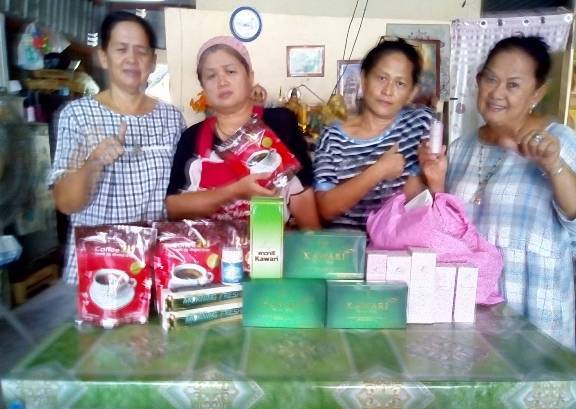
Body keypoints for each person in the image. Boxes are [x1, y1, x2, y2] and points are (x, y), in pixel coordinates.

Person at [420, 36, 576, 349]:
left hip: (537, 312)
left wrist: (553, 165)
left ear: (537, 92)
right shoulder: (461, 148)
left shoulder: (559, 142)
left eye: (513, 84)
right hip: (473, 315)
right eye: (490, 79)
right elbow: (450, 232)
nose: (497, 93)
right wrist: (435, 183)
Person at [50, 11, 185, 284]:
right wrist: (93, 163)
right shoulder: (77, 115)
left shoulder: (172, 118)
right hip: (98, 266)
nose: (132, 59)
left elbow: (180, 193)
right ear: (103, 56)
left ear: (153, 61)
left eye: (141, 51)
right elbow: (65, 203)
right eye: (121, 49)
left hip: (154, 264)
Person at [166, 36, 320, 228]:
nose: (222, 81)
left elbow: (301, 192)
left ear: (250, 77)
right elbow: (174, 208)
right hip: (208, 245)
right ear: (203, 88)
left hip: (270, 243)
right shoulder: (192, 137)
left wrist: (314, 241)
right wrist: (233, 192)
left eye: (230, 71)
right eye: (211, 76)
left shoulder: (280, 122)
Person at [314, 39, 433, 229]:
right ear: (364, 79)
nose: (388, 91)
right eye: (381, 78)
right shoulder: (333, 138)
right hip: (348, 244)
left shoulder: (420, 123)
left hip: (399, 245)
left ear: (412, 92)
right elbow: (327, 208)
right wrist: (379, 170)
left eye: (400, 83)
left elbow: (420, 198)